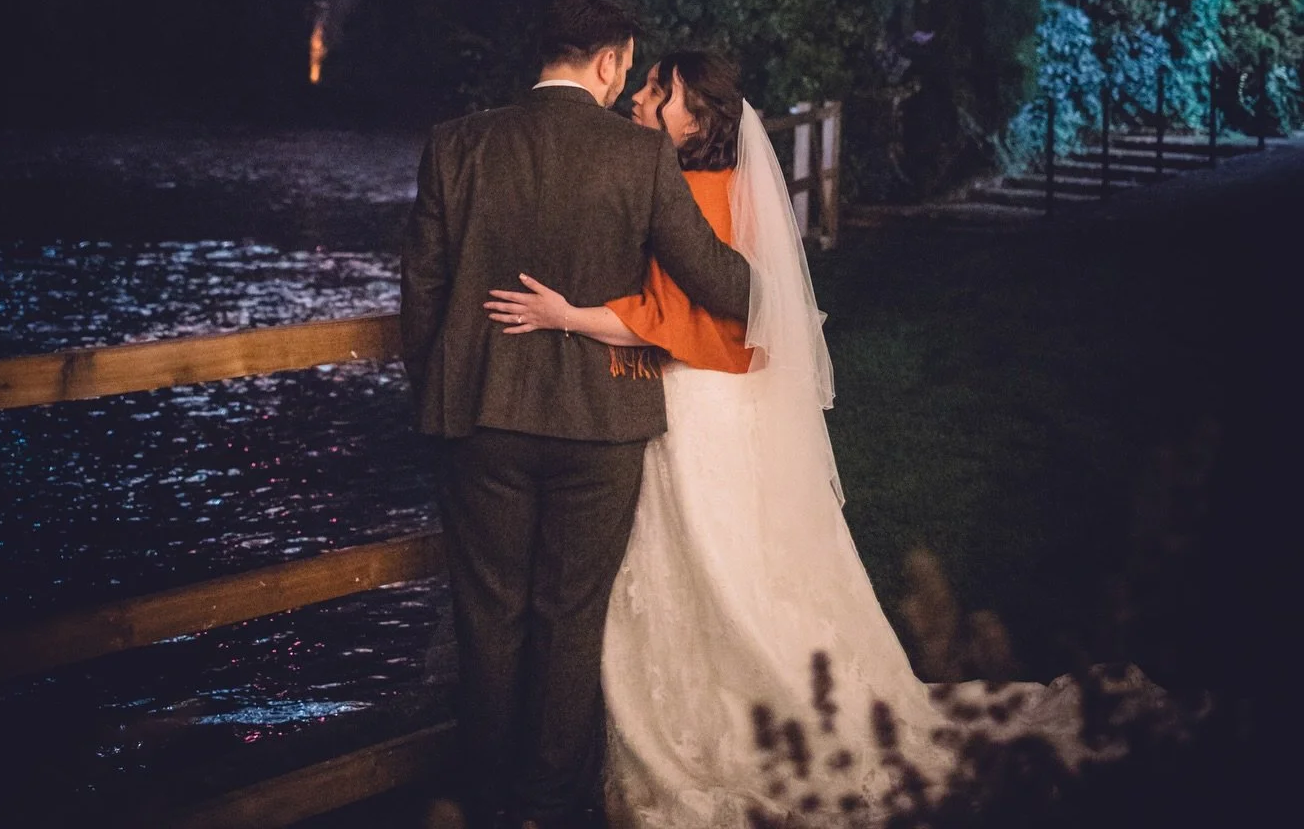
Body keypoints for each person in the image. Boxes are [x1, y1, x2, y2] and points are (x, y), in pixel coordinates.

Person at [487, 51, 1171, 828]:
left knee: (705, 556)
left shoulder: (697, 193)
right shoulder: (718, 184)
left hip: (698, 397)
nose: (643, 99)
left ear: (700, 118)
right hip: (722, 396)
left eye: (659, 92)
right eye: (645, 86)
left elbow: (672, 317)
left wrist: (567, 316)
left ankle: (713, 715)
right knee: (730, 556)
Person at [401, 0, 753, 829]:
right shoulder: (639, 157)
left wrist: (440, 393)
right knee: (568, 619)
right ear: (609, 61)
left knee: (488, 617)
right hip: (603, 427)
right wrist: (769, 280)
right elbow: (717, 283)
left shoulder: (457, 144)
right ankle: (548, 809)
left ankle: (484, 803)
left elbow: (422, 291)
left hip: (479, 420)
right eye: (629, 64)